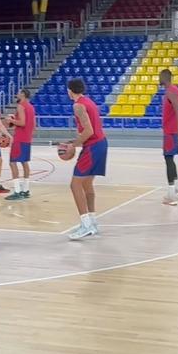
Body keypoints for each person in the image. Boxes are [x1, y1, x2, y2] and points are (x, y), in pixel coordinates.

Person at [66, 78, 108, 241]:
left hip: (93, 146)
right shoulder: (88, 101)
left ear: (70, 90)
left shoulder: (78, 105)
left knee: (75, 184)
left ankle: (86, 225)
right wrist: (76, 141)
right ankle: (92, 221)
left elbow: (89, 131)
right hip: (101, 143)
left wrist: (73, 145)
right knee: (87, 183)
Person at [160, 69, 178, 206]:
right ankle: (176, 188)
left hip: (171, 132)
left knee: (168, 158)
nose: (158, 79)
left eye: (160, 76)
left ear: (165, 77)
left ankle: (171, 195)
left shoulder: (171, 91)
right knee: (169, 158)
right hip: (172, 131)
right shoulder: (173, 90)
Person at [5, 89, 36, 201]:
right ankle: (26, 190)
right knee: (24, 163)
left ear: (22, 94)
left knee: (12, 163)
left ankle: (17, 191)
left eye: (18, 92)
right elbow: (33, 125)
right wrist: (15, 119)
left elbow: (22, 123)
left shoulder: (21, 106)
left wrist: (11, 120)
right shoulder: (31, 107)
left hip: (20, 139)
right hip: (27, 139)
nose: (16, 94)